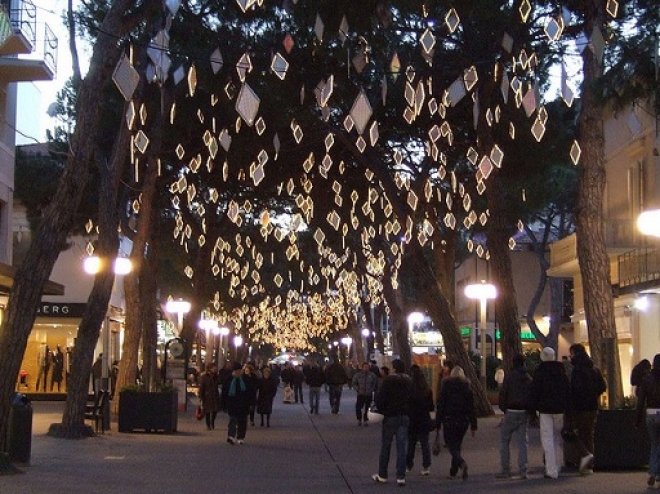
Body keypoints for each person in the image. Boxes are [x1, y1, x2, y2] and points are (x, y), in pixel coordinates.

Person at [565, 343, 606, 475]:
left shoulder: (577, 370)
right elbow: (602, 386)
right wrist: (594, 395)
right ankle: (589, 466)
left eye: (571, 354)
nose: (570, 357)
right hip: (592, 406)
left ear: (575, 354)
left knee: (573, 433)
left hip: (580, 407)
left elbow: (575, 390)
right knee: (588, 435)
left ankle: (584, 456)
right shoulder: (594, 368)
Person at [530, 347, 570, 479]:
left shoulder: (540, 372)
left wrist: (532, 411)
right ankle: (558, 464)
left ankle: (551, 469)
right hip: (560, 408)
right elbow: (567, 390)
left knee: (547, 438)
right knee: (558, 436)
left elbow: (534, 392)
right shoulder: (561, 371)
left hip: (545, 410)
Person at [372, 358, 413, 486]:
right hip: (404, 415)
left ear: (394, 368)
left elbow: (381, 397)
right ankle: (401, 476)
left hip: (390, 416)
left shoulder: (389, 380)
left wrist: (382, 410)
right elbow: (413, 398)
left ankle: (383, 474)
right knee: (402, 447)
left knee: (386, 446)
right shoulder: (409, 381)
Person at [435, 365, 477, 481]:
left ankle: (461, 463)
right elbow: (471, 408)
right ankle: (453, 471)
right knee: (458, 445)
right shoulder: (467, 389)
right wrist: (474, 425)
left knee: (450, 444)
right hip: (463, 420)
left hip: (449, 419)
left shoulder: (446, 387)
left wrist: (437, 423)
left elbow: (441, 406)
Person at [496, 353, 532, 480]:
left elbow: (503, 393)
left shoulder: (510, 376)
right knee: (523, 441)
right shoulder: (527, 377)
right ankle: (523, 469)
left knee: (504, 440)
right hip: (523, 411)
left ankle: (506, 469)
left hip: (511, 410)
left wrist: (503, 408)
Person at [634, 354, 660, 489]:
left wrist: (637, 419)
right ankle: (654, 471)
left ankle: (653, 472)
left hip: (651, 413)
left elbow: (641, 401)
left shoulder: (647, 379)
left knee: (655, 443)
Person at [406, 364, 434, 476]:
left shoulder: (409, 390)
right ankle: (426, 466)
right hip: (424, 419)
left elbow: (406, 405)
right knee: (425, 444)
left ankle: (408, 465)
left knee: (411, 444)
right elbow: (431, 407)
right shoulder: (427, 390)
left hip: (412, 419)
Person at [222, 361, 251, 445]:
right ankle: (231, 436)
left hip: (243, 404)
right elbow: (225, 393)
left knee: (242, 421)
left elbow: (250, 392)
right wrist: (224, 404)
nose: (238, 372)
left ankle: (241, 437)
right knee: (233, 420)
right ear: (233, 371)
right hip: (232, 404)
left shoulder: (245, 379)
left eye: (239, 370)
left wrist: (250, 403)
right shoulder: (229, 380)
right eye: (236, 370)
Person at [352, 362, 378, 426]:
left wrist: (371, 390)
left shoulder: (372, 375)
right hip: (360, 394)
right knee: (358, 407)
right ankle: (359, 419)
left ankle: (366, 420)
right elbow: (354, 383)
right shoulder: (358, 375)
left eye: (367, 367)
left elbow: (374, 383)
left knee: (367, 408)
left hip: (368, 394)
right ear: (362, 367)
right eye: (365, 367)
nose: (366, 368)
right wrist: (357, 389)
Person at [198, 362, 221, 430]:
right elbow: (202, 387)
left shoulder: (216, 376)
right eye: (214, 367)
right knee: (207, 411)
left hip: (215, 395)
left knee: (215, 411)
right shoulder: (205, 376)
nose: (215, 368)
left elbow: (219, 383)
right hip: (207, 396)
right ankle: (208, 425)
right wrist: (201, 396)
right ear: (210, 368)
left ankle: (212, 422)